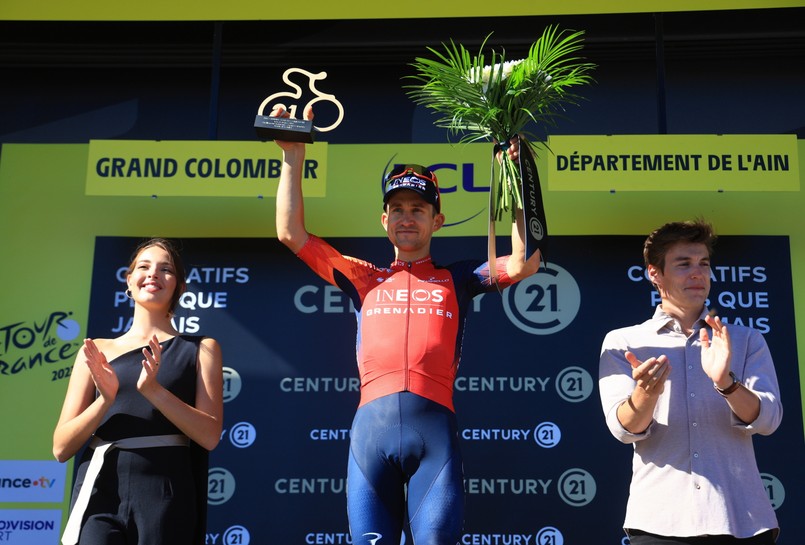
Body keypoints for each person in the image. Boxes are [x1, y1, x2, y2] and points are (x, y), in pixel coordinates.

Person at [273, 106, 542, 544]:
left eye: (418, 208)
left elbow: (523, 262)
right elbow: (291, 233)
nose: (407, 217)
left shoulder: (458, 278)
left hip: (433, 433)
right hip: (370, 439)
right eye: (397, 209)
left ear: (437, 220)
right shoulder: (362, 276)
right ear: (384, 221)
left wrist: (513, 175)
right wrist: (292, 156)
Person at [598, 219, 783, 544]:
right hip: (660, 522)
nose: (698, 273)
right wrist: (645, 394)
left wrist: (726, 382)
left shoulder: (745, 339)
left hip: (742, 520)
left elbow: (768, 420)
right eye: (683, 264)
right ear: (655, 273)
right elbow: (622, 429)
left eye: (703, 264)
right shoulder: (623, 342)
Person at [53, 237, 224, 545]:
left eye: (166, 269)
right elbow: (61, 447)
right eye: (144, 266)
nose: (153, 274)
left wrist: (154, 391)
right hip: (100, 491)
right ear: (129, 281)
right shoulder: (95, 351)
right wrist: (105, 400)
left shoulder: (201, 349)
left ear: (180, 287)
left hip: (166, 494)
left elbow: (209, 435)